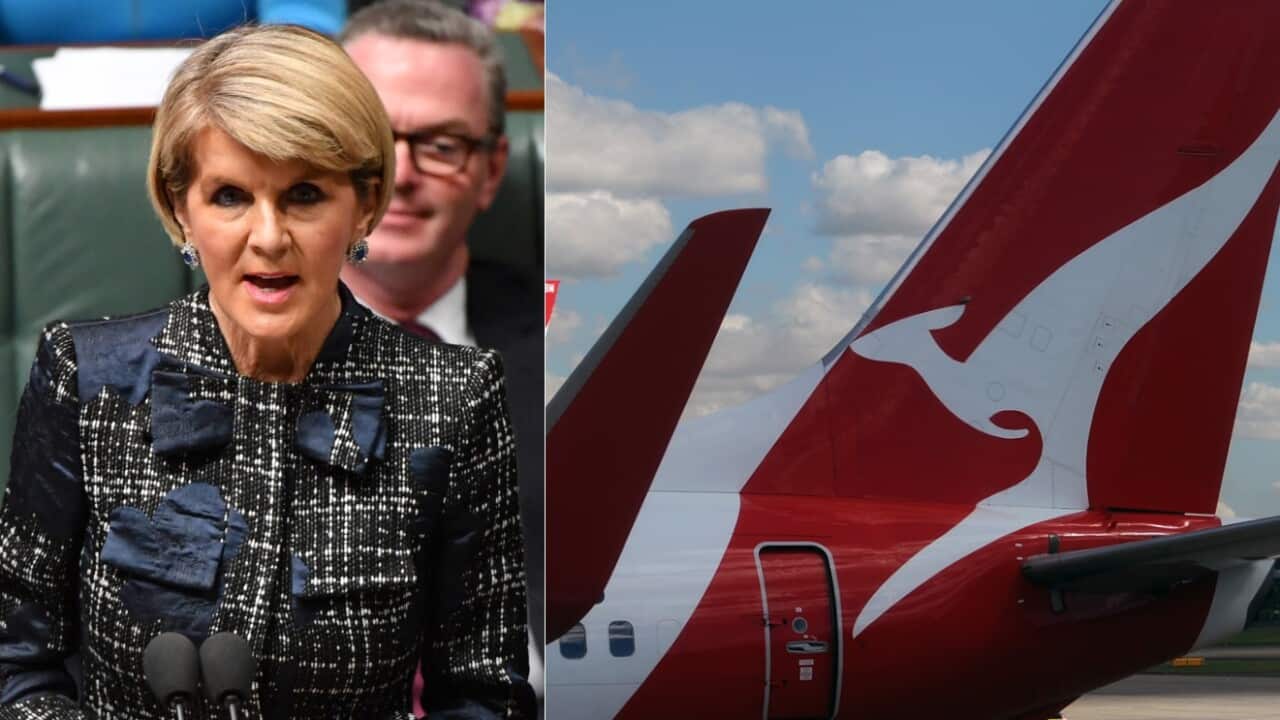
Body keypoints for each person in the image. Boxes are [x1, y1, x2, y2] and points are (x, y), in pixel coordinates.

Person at [0, 24, 534, 719]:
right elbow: (17, 662)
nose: (269, 237)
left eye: (305, 194)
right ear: (178, 208)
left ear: (363, 205)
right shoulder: (85, 377)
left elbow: (485, 694)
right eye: (229, 196)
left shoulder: (454, 397)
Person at [339, 0, 545, 668]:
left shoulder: (584, 347)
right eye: (367, 140)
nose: (399, 175)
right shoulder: (187, 357)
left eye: (442, 144)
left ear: (490, 171)